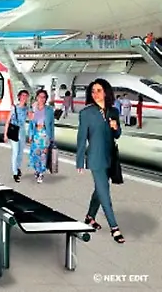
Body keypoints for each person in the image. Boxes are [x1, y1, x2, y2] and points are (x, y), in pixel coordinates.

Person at [77, 78, 125, 244]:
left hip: (110, 157)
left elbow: (117, 135)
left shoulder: (113, 111)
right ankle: (114, 228)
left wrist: (116, 128)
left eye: (98, 90)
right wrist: (79, 161)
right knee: (104, 192)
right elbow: (81, 138)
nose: (95, 94)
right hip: (95, 158)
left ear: (106, 92)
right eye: (93, 91)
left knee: (99, 189)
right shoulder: (86, 113)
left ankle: (90, 217)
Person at [27, 89, 55, 183]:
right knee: (35, 154)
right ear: (37, 98)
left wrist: (52, 138)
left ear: (46, 99)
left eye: (44, 97)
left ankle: (41, 173)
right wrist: (30, 135)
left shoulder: (49, 110)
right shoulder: (33, 109)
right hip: (35, 134)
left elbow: (51, 125)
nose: (42, 99)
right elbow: (31, 124)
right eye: (40, 97)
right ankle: (37, 170)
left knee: (43, 154)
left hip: (45, 134)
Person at [4, 90, 30, 183]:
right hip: (14, 131)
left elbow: (32, 118)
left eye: (26, 96)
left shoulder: (27, 109)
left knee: (20, 153)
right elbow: (8, 121)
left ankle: (18, 168)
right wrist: (5, 134)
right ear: (19, 96)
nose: (24, 97)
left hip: (22, 131)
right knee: (15, 152)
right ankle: (15, 173)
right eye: (23, 95)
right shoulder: (14, 107)